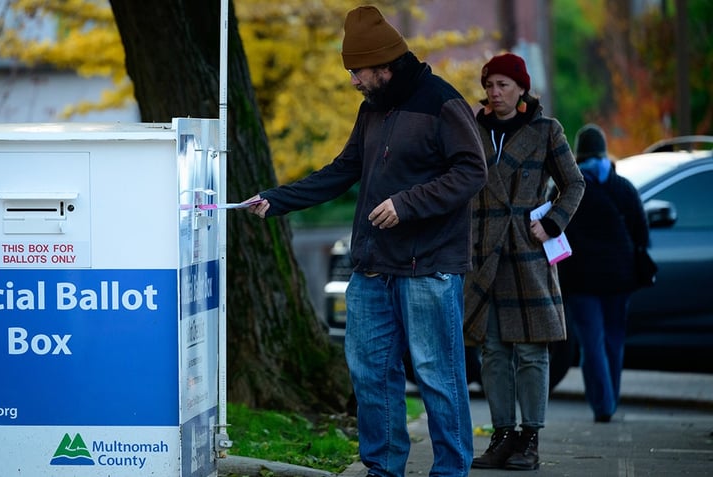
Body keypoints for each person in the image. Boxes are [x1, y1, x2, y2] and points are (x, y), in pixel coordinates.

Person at [245, 6, 487, 476]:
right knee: (372, 377)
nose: (353, 81)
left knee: (439, 378)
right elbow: (342, 170)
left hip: (429, 269)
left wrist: (407, 203)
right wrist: (276, 200)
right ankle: (382, 469)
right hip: (373, 269)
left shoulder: (442, 103)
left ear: (384, 65)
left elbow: (473, 172)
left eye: (357, 71)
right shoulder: (372, 109)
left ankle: (452, 470)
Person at [463, 52, 585, 471]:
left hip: (527, 253)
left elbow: (574, 183)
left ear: (521, 89)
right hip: (482, 255)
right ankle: (502, 436)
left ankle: (530, 438)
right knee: (492, 352)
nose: (494, 93)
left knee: (532, 352)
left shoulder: (546, 130)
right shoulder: (472, 130)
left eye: (503, 85)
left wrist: (552, 224)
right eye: (489, 85)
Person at [556, 123, 649, 423]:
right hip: (620, 279)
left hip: (581, 280)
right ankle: (611, 399)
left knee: (591, 343)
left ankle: (603, 405)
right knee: (613, 340)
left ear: (578, 154)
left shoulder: (568, 188)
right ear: (603, 151)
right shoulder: (623, 188)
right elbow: (641, 234)